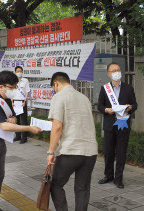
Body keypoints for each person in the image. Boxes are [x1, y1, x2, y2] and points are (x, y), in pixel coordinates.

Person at [0, 70, 42, 211]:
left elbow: (11, 117)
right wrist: (29, 128)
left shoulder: (5, 100)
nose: (14, 90)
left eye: (15, 87)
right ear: (1, 87)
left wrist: (13, 119)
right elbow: (4, 126)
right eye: (11, 88)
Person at [47, 72, 98, 211]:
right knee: (82, 189)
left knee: (56, 185)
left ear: (56, 84)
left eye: (54, 88)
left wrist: (50, 151)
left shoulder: (59, 96)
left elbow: (57, 126)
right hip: (90, 151)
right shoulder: (84, 98)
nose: (54, 91)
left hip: (70, 150)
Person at [97, 63, 137, 189]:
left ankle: (118, 179)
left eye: (118, 70)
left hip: (123, 123)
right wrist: (106, 110)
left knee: (121, 153)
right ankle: (108, 175)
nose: (116, 72)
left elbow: (135, 104)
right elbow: (99, 106)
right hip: (109, 123)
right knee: (108, 152)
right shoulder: (105, 88)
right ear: (109, 74)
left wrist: (129, 108)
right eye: (114, 70)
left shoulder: (128, 88)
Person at [12, 66, 30, 144]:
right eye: (17, 71)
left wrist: (25, 101)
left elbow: (27, 91)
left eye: (20, 71)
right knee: (16, 120)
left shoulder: (25, 81)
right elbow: (11, 91)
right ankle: (18, 136)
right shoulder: (13, 81)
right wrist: (11, 102)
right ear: (15, 72)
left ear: (22, 72)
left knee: (24, 120)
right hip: (15, 102)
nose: (19, 72)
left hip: (22, 102)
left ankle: (24, 137)